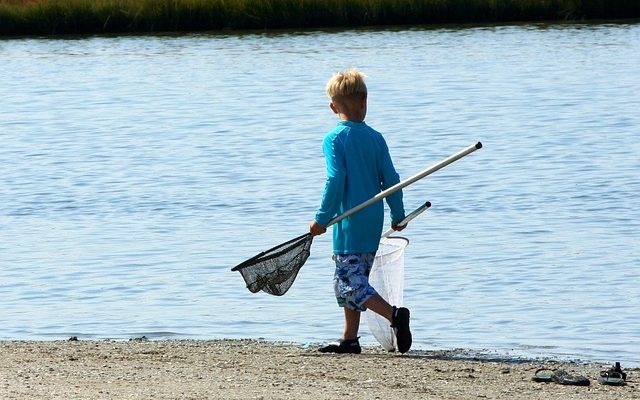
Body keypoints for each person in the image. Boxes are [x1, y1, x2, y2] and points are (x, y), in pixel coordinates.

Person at [309, 68, 412, 354]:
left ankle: (394, 315)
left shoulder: (334, 139)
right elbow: (392, 180)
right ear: (365, 100)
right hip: (372, 221)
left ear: (333, 107)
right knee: (352, 280)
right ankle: (350, 339)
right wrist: (397, 214)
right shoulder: (376, 138)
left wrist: (321, 218)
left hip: (349, 224)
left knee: (350, 282)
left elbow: (335, 178)